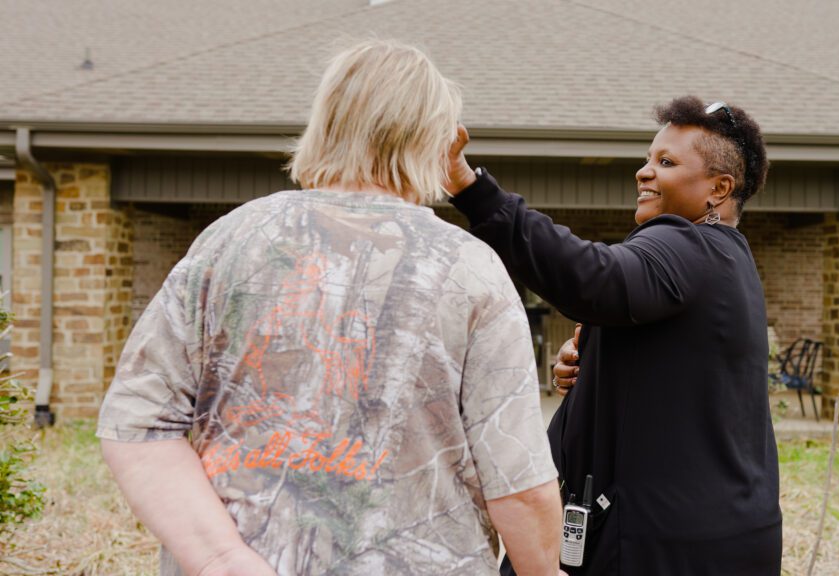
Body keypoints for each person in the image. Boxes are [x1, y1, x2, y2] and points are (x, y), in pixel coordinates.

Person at [97, 39, 564, 576]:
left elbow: (138, 421)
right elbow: (518, 482)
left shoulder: (229, 242)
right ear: (438, 141)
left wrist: (222, 559)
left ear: (326, 123)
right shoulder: (470, 268)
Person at [446, 96, 781, 575]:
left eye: (665, 162)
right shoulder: (728, 259)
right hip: (726, 533)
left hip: (662, 545)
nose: (644, 172)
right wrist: (598, 362)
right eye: (648, 159)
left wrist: (468, 186)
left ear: (718, 188)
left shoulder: (683, 242)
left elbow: (592, 277)